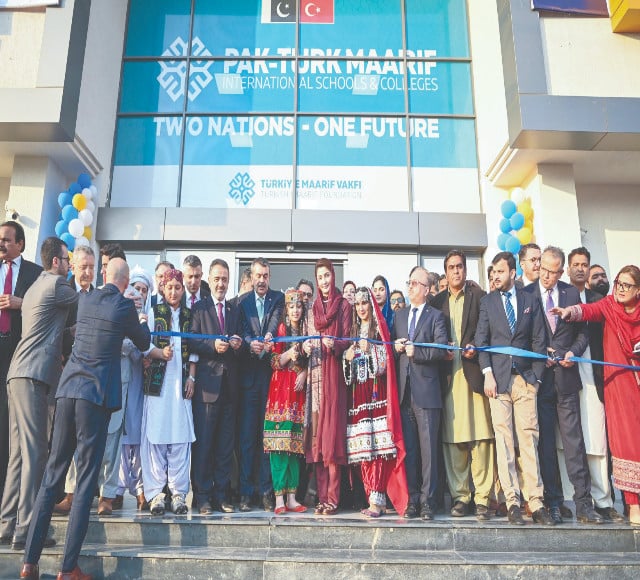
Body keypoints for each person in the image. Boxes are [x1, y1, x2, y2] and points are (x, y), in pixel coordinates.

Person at [20, 258, 150, 580]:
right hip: (94, 398)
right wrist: (142, 318)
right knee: (85, 482)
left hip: (67, 392)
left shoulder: (86, 298)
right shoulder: (124, 307)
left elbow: (75, 332)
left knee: (53, 476)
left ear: (105, 275)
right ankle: (68, 568)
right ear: (127, 281)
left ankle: (29, 563)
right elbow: (145, 343)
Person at [0, 237, 77, 551]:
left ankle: (6, 525)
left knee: (17, 456)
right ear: (56, 262)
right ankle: (28, 531)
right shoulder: (57, 286)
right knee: (36, 454)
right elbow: (84, 303)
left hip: (16, 374)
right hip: (32, 375)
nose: (71, 266)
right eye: (68, 260)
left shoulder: (33, 287)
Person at [553, 265, 640, 525]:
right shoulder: (609, 305)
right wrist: (569, 312)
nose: (620, 289)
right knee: (627, 442)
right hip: (620, 387)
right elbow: (587, 311)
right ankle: (632, 504)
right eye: (618, 283)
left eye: (627, 285)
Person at [524, 246, 603, 525]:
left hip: (567, 379)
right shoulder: (528, 294)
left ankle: (584, 503)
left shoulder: (571, 294)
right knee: (545, 444)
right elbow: (522, 336)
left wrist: (574, 352)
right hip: (542, 382)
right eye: (542, 269)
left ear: (561, 272)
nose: (545, 275)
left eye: (552, 271)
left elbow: (583, 333)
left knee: (574, 443)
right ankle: (554, 502)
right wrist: (537, 355)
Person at [474, 251, 552, 526]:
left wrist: (537, 380)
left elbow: (539, 341)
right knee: (504, 441)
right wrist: (487, 375)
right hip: (498, 382)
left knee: (529, 439)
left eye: (499, 271)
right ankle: (512, 502)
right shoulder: (487, 302)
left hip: (525, 380)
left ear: (512, 273)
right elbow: (481, 342)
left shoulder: (531, 300)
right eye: (492, 272)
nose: (494, 276)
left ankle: (537, 502)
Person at [431, 250, 495, 521]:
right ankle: (460, 497)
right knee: (453, 440)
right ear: (445, 272)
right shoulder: (435, 302)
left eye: (460, 267)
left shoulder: (479, 297)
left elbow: (488, 332)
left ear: (466, 270)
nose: (456, 271)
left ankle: (482, 498)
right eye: (451, 267)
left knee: (481, 439)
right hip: (448, 377)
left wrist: (476, 349)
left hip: (474, 374)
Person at [565, 248, 623, 522]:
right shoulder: (560, 296)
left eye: (584, 265)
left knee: (597, 439)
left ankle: (603, 500)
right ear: (567, 268)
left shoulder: (600, 301)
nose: (579, 269)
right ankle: (573, 498)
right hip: (565, 376)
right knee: (568, 442)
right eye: (575, 264)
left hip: (594, 377)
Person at [343, 287, 408, 518]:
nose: (361, 308)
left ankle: (378, 499)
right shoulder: (351, 331)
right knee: (364, 448)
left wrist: (370, 349)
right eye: (358, 304)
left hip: (375, 394)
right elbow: (347, 374)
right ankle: (372, 496)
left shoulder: (379, 331)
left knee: (378, 447)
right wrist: (347, 358)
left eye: (365, 303)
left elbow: (384, 363)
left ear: (371, 305)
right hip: (357, 395)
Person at [392, 266, 448, 520]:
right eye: (409, 282)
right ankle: (413, 499)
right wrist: (396, 347)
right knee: (411, 450)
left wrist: (419, 353)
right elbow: (392, 349)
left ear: (426, 290)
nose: (411, 286)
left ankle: (429, 501)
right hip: (405, 392)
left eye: (416, 283)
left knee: (429, 452)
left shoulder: (436, 316)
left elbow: (440, 351)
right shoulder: (400, 316)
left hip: (426, 392)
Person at [188, 259, 243, 514]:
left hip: (230, 389)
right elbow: (192, 342)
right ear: (210, 279)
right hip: (207, 389)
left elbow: (242, 339)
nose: (221, 284)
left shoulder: (234, 310)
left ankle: (222, 496)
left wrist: (236, 344)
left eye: (225, 279)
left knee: (224, 446)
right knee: (205, 445)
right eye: (217, 279)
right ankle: (202, 497)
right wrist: (213, 347)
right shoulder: (199, 309)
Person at [142, 269, 195, 516]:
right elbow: (145, 346)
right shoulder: (154, 313)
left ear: (183, 290)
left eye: (177, 287)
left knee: (179, 437)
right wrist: (159, 353)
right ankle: (156, 495)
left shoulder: (188, 315)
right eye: (169, 287)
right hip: (158, 385)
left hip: (180, 383)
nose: (173, 291)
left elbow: (193, 351)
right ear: (162, 289)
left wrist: (192, 377)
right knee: (156, 435)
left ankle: (178, 494)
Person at [303, 258, 352, 515]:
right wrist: (305, 346)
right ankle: (321, 497)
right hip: (316, 380)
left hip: (334, 379)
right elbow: (305, 339)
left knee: (332, 441)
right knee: (317, 444)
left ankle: (332, 498)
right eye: (320, 277)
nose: (324, 281)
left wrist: (337, 345)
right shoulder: (312, 309)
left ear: (333, 276)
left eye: (327, 276)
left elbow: (347, 337)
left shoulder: (343, 305)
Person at [238, 258, 284, 511]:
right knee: (246, 439)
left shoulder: (277, 298)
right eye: (258, 275)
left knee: (267, 438)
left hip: (270, 379)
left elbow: (276, 322)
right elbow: (242, 329)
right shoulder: (242, 302)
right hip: (248, 380)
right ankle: (245, 493)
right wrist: (248, 342)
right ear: (252, 277)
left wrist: (270, 338)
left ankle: (266, 492)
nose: (262, 280)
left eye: (266, 275)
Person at [0, 221, 42, 502]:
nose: (1, 244)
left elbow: (43, 308)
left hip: (18, 354)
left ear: (20, 244)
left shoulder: (35, 273)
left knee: (10, 424)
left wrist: (20, 303)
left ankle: (9, 495)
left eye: (6, 240)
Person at [264, 289, 309, 514]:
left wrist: (305, 373)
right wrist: (287, 355)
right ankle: (279, 499)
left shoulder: (306, 331)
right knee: (278, 447)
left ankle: (292, 498)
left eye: (299, 306)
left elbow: (314, 361)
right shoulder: (280, 330)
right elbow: (272, 360)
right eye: (291, 306)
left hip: (298, 394)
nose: (295, 310)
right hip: (280, 393)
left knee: (294, 447)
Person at [115, 266, 153, 512]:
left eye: (144, 290)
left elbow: (147, 346)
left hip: (140, 383)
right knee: (119, 434)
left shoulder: (148, 317)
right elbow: (124, 345)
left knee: (137, 434)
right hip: (119, 380)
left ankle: (140, 489)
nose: (139, 294)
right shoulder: (120, 312)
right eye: (136, 289)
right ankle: (116, 489)